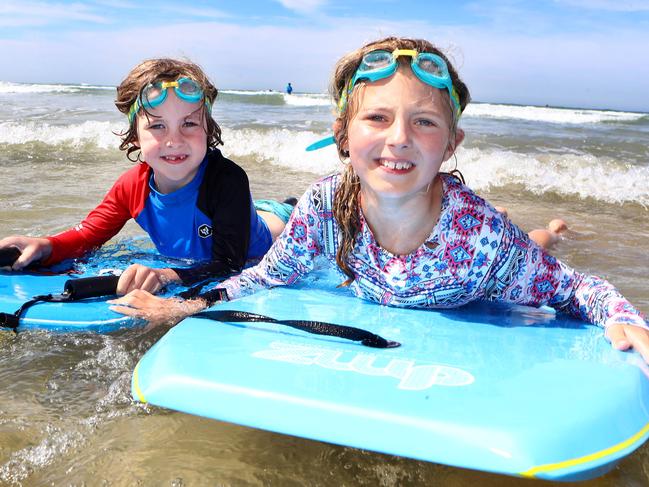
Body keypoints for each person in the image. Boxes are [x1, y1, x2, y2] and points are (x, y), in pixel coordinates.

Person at [110, 37, 649, 361]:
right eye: (377, 118)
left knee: (533, 251)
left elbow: (577, 288)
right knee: (520, 250)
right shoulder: (324, 206)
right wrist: (188, 305)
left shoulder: (479, 239)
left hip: (476, 273)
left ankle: (551, 229)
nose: (398, 139)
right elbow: (264, 276)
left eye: (424, 121)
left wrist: (621, 315)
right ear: (343, 133)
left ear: (451, 143)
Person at [0, 58, 293, 295]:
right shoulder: (132, 186)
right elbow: (87, 236)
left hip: (274, 226)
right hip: (239, 214)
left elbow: (230, 264)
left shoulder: (228, 181)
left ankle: (290, 203)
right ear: (135, 137)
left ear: (209, 130)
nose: (174, 140)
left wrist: (166, 275)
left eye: (189, 123)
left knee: (289, 212)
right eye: (157, 126)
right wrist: (45, 245)